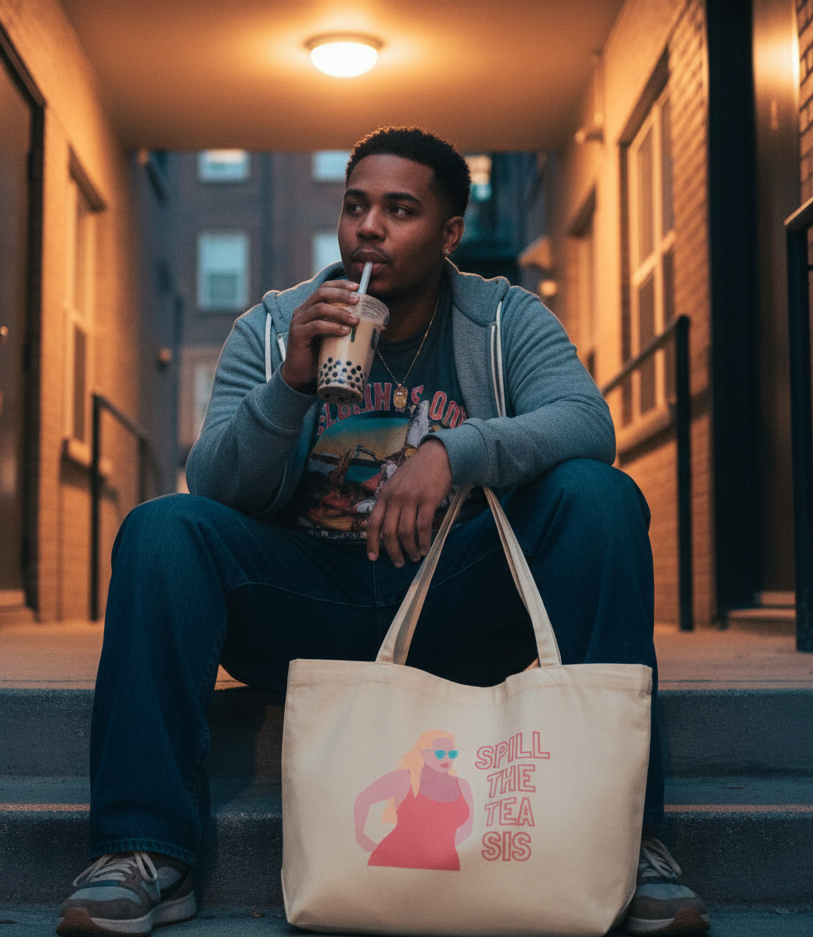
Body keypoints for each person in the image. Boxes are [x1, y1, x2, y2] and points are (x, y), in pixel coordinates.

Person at [56, 127, 709, 937]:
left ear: (446, 233)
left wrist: (452, 450)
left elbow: (585, 421)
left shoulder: (503, 319)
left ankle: (627, 839)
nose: (369, 227)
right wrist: (290, 383)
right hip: (307, 597)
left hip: (457, 600)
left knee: (598, 496)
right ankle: (143, 850)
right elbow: (217, 483)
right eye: (355, 205)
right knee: (162, 528)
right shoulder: (272, 328)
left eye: (400, 210)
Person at [354, 730, 474, 871]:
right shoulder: (404, 779)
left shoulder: (463, 786)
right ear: (423, 753)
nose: (446, 759)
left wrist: (439, 852)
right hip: (393, 862)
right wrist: (360, 835)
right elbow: (363, 798)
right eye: (440, 753)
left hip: (444, 866)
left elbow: (466, 831)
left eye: (452, 754)